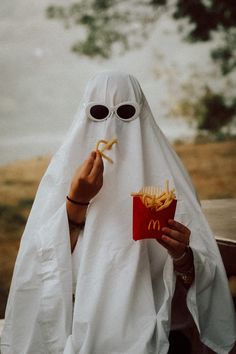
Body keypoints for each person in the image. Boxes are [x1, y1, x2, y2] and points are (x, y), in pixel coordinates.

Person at [1, 71, 235, 354]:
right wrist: (77, 201)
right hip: (75, 327)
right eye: (99, 113)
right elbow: (41, 262)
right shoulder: (64, 174)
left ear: (142, 114)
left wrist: (183, 257)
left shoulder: (169, 181)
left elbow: (200, 274)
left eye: (126, 112)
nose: (111, 125)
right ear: (85, 114)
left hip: (161, 328)